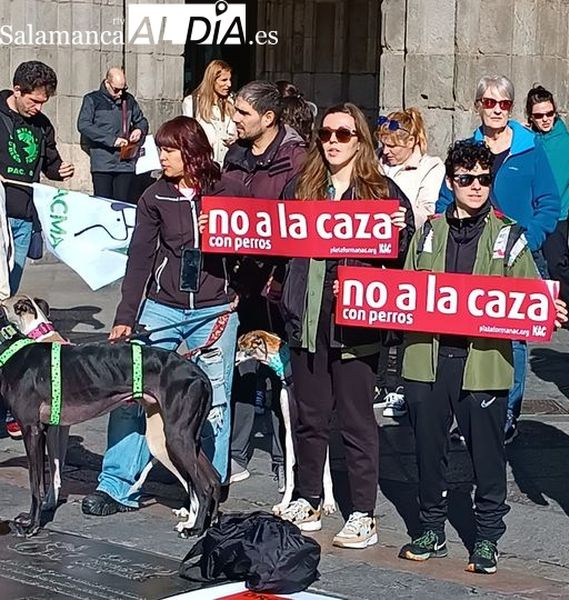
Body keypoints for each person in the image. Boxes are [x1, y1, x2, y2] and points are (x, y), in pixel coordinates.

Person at [399, 139, 567, 574]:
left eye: (483, 179)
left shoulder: (509, 235)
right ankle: (430, 527)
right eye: (466, 179)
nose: (476, 186)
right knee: (427, 448)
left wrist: (548, 306)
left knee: (487, 454)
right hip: (429, 358)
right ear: (451, 182)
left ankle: (488, 535)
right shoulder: (430, 231)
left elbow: (528, 296)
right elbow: (404, 292)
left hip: (484, 362)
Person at [81, 116, 249, 517]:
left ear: (191, 151)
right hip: (162, 307)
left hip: (214, 308)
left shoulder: (229, 189)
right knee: (131, 392)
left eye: (169, 150)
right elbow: (140, 257)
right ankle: (116, 485)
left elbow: (256, 249)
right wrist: (125, 315)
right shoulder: (155, 195)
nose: (162, 158)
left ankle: (209, 482)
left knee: (216, 398)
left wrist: (226, 240)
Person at [276, 102, 414, 549]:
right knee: (309, 416)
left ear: (360, 141)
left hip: (355, 325)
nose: (333, 141)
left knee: (356, 422)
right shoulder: (301, 189)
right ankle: (308, 496)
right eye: (326, 134)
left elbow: (404, 260)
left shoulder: (383, 194)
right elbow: (271, 238)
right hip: (307, 317)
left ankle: (362, 513)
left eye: (344, 134)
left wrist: (402, 229)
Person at [436, 75, 560, 445]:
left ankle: (506, 412)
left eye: (503, 104)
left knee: (516, 338)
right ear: (478, 106)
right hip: (469, 249)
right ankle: (470, 405)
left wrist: (526, 238)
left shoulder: (531, 149)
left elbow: (549, 204)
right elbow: (446, 202)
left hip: (518, 252)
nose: (496, 110)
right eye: (489, 103)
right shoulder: (465, 148)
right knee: (467, 329)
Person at [222, 80, 307, 484]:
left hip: (280, 280)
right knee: (243, 365)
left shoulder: (297, 159)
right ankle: (236, 451)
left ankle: (283, 454)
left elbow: (297, 221)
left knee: (282, 370)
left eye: (243, 113)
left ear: (268, 118)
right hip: (242, 279)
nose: (234, 119)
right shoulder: (234, 154)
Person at [374, 107, 445, 418]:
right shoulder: (378, 162)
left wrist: (402, 213)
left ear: (412, 142)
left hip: (411, 247)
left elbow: (428, 208)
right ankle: (378, 382)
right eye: (384, 145)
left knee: (405, 317)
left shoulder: (430, 166)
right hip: (378, 248)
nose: (387, 152)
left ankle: (401, 384)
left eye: (394, 146)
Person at [0, 61, 74, 294]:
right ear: (17, 90)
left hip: (24, 216)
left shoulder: (42, 126)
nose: (38, 108)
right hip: (0, 212)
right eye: (33, 101)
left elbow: (50, 163)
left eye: (43, 102)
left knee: (9, 286)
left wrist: (60, 171)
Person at [525, 84, 569, 313]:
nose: (545, 119)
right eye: (539, 115)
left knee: (558, 264)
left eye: (549, 114)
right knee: (530, 264)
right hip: (527, 214)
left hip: (556, 214)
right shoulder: (524, 141)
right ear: (531, 117)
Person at [77, 67, 149, 202]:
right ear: (107, 83)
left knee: (123, 203)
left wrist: (139, 130)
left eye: (124, 89)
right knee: (103, 203)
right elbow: (84, 125)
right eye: (116, 89)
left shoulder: (129, 100)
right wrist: (112, 140)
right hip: (102, 163)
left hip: (125, 162)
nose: (120, 93)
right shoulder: (92, 99)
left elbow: (142, 121)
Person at [182, 59, 237, 165]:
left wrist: (236, 139)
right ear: (212, 80)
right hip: (204, 165)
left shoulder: (233, 102)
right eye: (224, 80)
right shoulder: (192, 103)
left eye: (230, 80)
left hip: (229, 165)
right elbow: (187, 137)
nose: (229, 84)